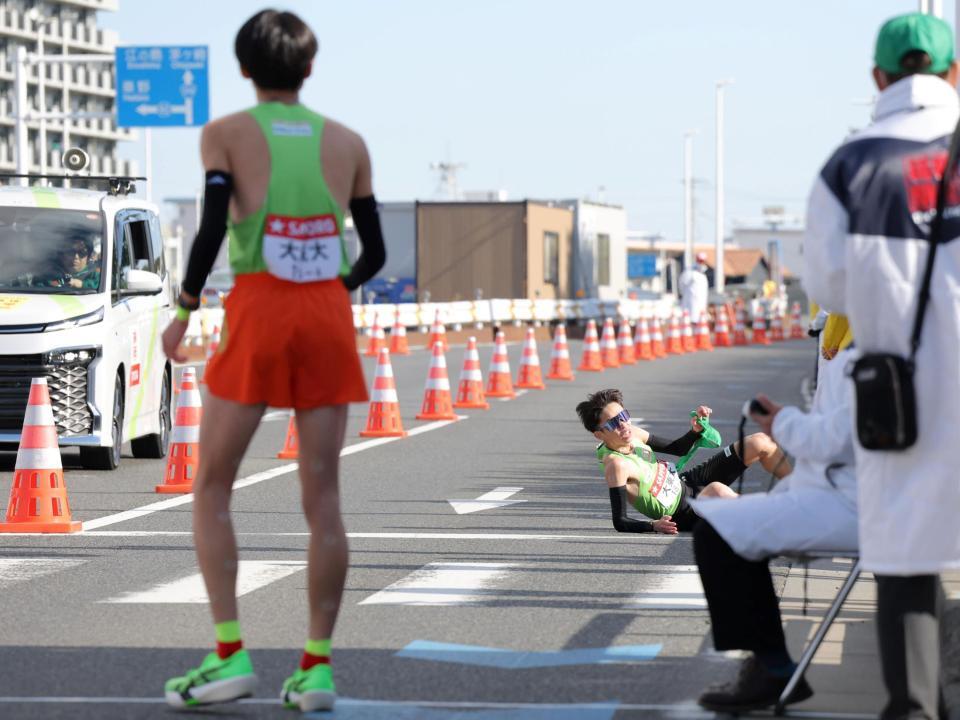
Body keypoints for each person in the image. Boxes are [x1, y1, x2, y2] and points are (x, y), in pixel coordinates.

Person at [160, 10, 385, 713]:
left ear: (245, 69)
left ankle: (229, 654)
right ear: (309, 69)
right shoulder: (348, 142)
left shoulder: (224, 134)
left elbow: (210, 227)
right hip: (325, 316)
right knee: (324, 503)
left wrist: (185, 309)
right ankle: (315, 669)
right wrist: (329, 294)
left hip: (257, 308)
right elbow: (372, 253)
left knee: (213, 489)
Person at [803, 13, 960, 719]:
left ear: (877, 78)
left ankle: (917, 708)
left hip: (902, 395)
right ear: (954, 74)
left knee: (907, 553)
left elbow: (829, 289)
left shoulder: (850, 164)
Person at [689, 316, 857, 713]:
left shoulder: (881, 336)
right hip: (854, 493)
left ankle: (773, 667)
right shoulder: (876, 330)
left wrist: (782, 422)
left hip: (863, 502)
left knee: (718, 532)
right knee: (728, 525)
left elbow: (843, 436)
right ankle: (772, 665)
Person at [575, 389, 789, 534]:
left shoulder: (634, 434)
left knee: (759, 442)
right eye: (613, 423)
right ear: (599, 434)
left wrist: (695, 430)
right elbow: (620, 521)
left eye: (624, 416)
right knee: (717, 491)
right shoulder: (616, 464)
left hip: (687, 482)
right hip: (682, 512)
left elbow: (678, 449)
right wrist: (653, 526)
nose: (624, 425)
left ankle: (804, 491)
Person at [678, 251, 709, 320]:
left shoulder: (703, 275)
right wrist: (686, 295)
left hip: (701, 307)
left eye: (703, 261)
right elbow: (682, 284)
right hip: (690, 304)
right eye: (700, 261)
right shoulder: (690, 272)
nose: (702, 263)